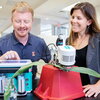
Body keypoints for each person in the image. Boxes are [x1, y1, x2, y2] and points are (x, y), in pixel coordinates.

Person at [0, 1, 51, 90]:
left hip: (32, 89)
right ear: (12, 21)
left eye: (26, 21)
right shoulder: (2, 43)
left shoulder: (40, 43)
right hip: (8, 90)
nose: (22, 25)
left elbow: (50, 63)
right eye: (18, 21)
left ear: (32, 21)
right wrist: (2, 59)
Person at [66, 2, 100, 97]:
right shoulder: (69, 40)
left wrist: (98, 86)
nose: (73, 21)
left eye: (79, 18)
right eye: (73, 17)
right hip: (72, 90)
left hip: (92, 92)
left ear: (89, 22)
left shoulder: (98, 39)